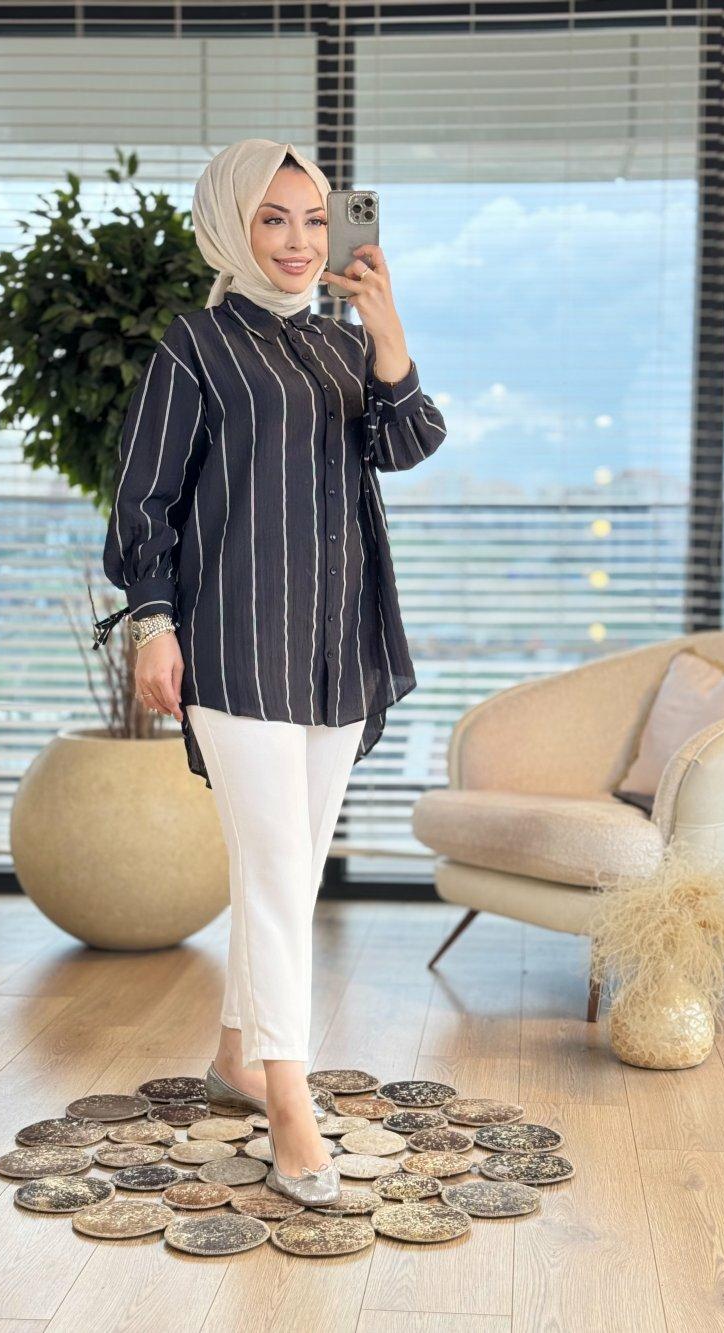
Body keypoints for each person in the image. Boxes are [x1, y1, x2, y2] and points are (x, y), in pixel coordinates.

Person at [98, 138, 446, 1203]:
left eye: (313, 218)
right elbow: (144, 500)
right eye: (272, 219)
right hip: (238, 642)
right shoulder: (196, 345)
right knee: (276, 868)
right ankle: (289, 1101)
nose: (298, 241)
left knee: (287, 867)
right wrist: (153, 625)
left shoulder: (343, 346)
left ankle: (236, 1054)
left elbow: (409, 442)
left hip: (339, 645)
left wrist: (386, 328)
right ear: (231, 225)